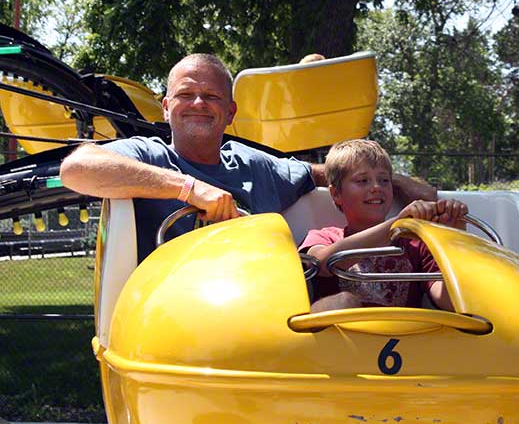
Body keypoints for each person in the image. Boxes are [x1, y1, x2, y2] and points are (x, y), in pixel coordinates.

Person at [60, 53, 442, 262]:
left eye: (211, 97)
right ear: (165, 108)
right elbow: (76, 169)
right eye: (185, 95)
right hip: (176, 317)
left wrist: (399, 183)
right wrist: (190, 190)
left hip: (261, 311)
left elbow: (331, 173)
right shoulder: (147, 155)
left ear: (230, 113)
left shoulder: (256, 166)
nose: (198, 103)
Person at [299, 139, 467, 313]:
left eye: (384, 180)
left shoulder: (417, 246)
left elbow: (452, 302)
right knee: (343, 301)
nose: (376, 187)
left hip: (403, 337)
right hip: (343, 336)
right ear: (336, 194)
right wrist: (396, 226)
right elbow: (320, 263)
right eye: (363, 181)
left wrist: (454, 240)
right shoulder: (325, 237)